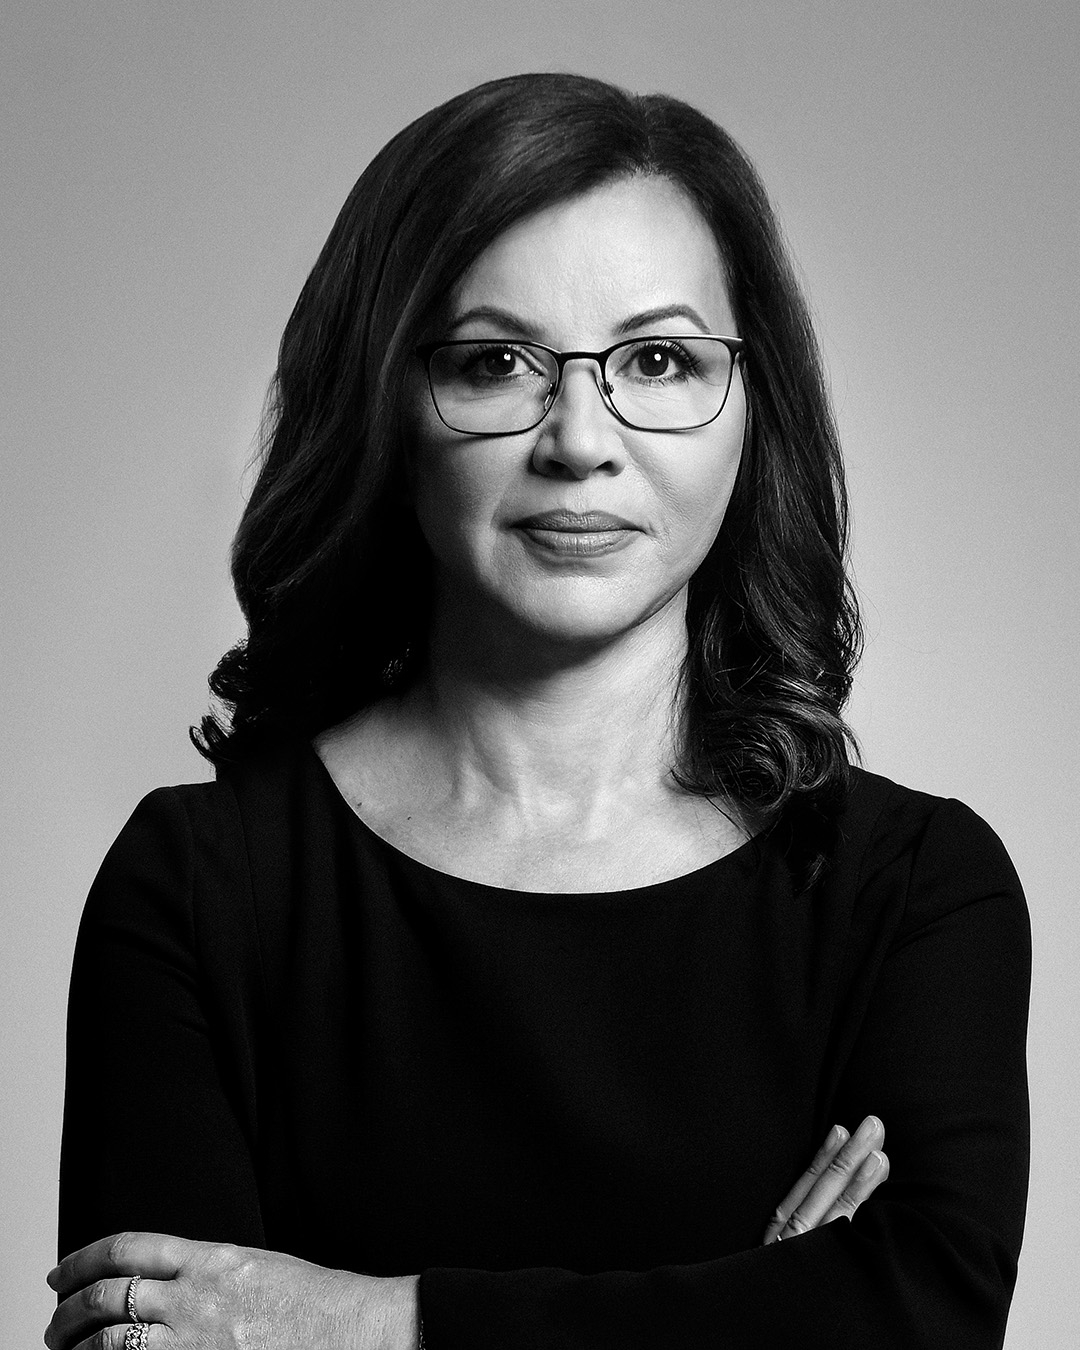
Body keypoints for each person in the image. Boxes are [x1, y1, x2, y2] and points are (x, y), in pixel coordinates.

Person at [46, 73, 1030, 1350]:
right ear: (384, 403)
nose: (579, 440)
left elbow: (924, 1317)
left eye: (660, 360)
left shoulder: (915, 893)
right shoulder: (195, 890)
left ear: (755, 410)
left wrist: (363, 1323)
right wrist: (753, 1311)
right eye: (494, 362)